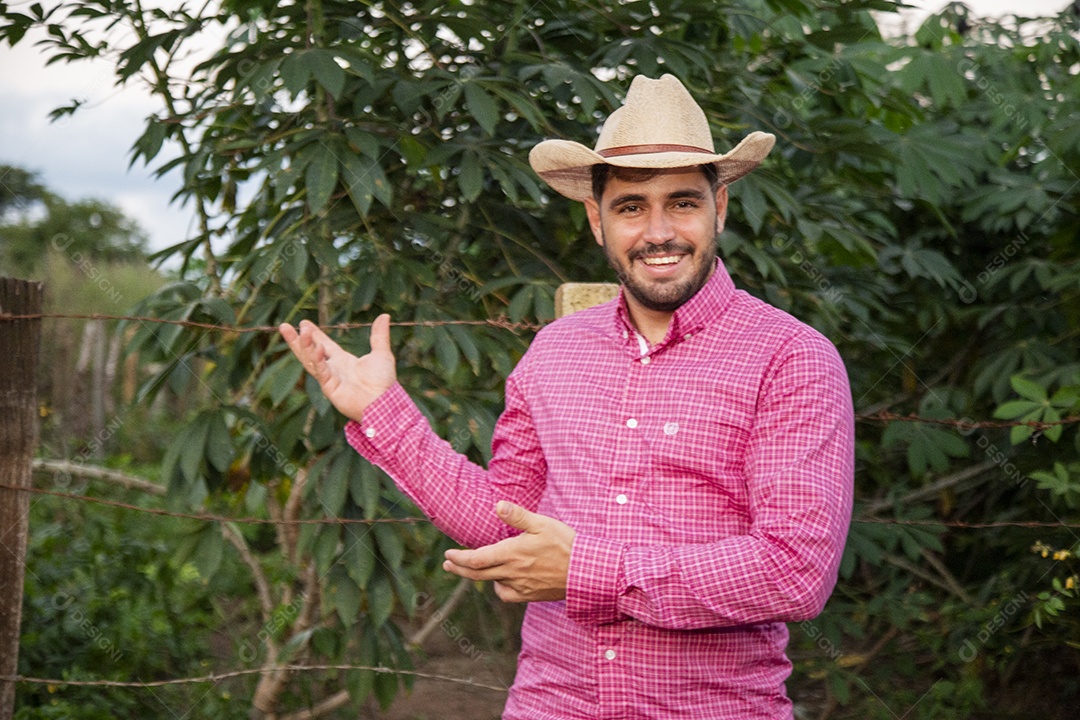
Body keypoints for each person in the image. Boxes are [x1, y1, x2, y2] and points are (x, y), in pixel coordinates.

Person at [280, 74, 854, 720]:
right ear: (596, 219)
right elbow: (507, 521)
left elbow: (795, 569)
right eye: (631, 207)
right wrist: (383, 413)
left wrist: (587, 571)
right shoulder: (555, 351)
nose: (659, 232)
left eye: (683, 203)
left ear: (720, 207)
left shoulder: (791, 358)